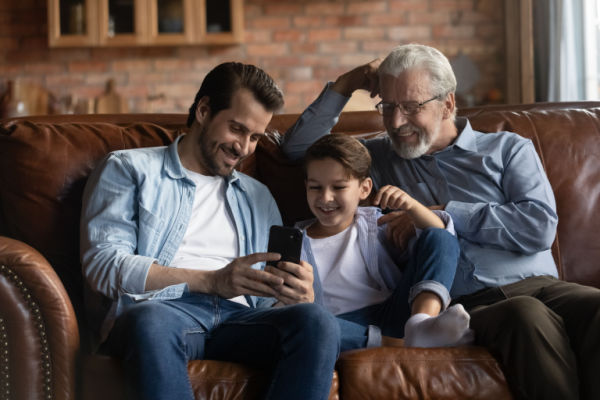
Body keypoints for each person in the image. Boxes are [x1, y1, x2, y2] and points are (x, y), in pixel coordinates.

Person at [281, 44, 600, 400]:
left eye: (411, 107)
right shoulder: (381, 157)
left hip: (542, 285)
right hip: (466, 307)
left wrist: (442, 212)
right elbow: (297, 151)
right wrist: (347, 83)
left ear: (447, 104)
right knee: (527, 316)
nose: (397, 122)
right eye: (388, 107)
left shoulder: (508, 149)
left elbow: (538, 226)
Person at [80, 62, 340, 400]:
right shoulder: (129, 169)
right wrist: (212, 281)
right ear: (204, 110)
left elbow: (280, 299)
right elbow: (103, 265)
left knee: (317, 323)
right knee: (151, 323)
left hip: (241, 319)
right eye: (236, 129)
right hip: (162, 311)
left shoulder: (258, 195)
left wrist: (299, 295)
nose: (244, 148)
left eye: (255, 137)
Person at [298, 133, 473, 350]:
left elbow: (441, 240)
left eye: (339, 187)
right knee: (309, 323)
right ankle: (399, 344)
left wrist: (412, 207)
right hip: (342, 327)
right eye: (315, 187)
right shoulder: (295, 241)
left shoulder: (374, 223)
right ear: (306, 186)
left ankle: (422, 324)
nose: (325, 198)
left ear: (364, 188)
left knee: (439, 236)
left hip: (397, 314)